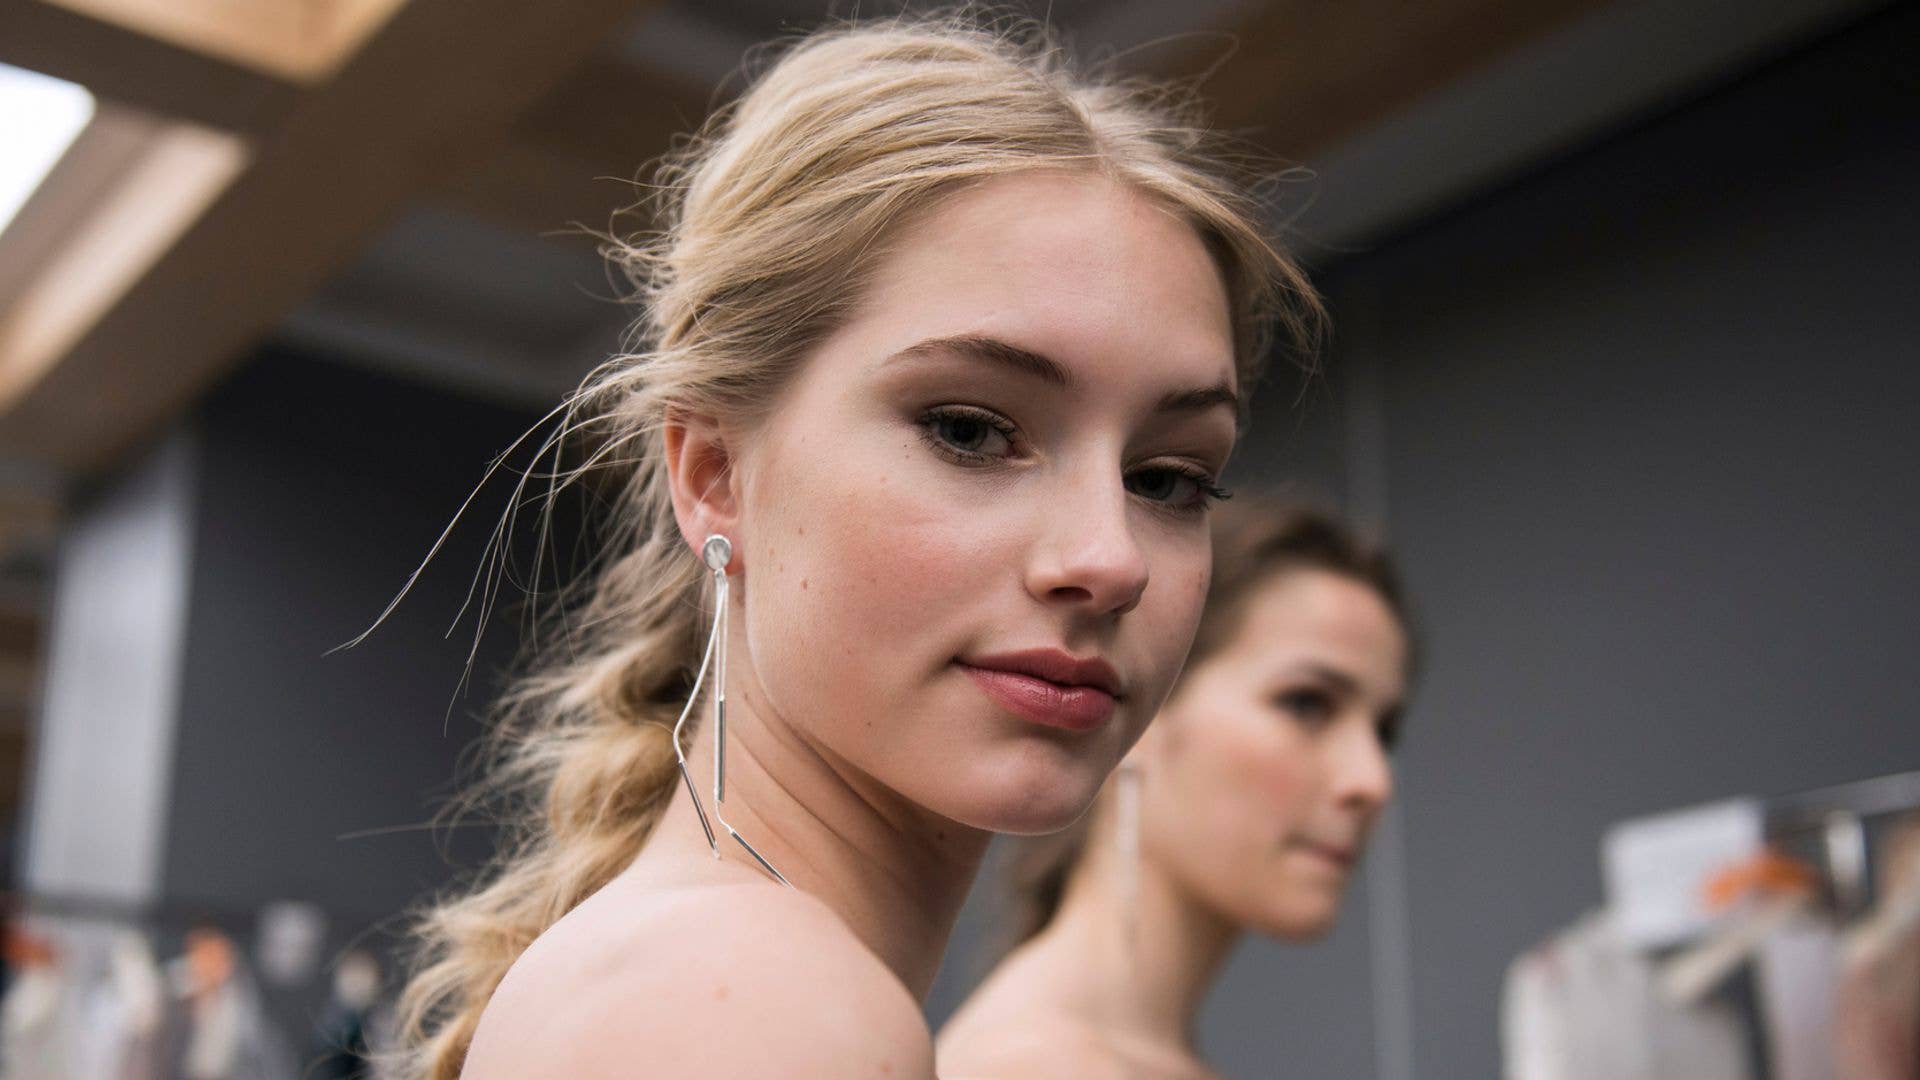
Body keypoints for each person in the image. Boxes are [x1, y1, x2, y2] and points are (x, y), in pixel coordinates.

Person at [391, 15, 1322, 1079]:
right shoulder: (749, 1009)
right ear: (714, 473)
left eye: (1169, 479)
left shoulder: (707, 975)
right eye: (968, 430)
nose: (1112, 559)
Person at [939, 500, 1412, 1079]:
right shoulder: (1032, 1065)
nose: (1371, 780)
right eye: (1306, 703)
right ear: (1142, 704)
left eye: (1383, 730)